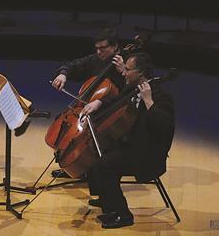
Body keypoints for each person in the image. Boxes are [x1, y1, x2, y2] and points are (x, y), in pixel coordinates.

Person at [82, 52, 175, 228]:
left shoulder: (161, 97)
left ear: (140, 73)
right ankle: (107, 200)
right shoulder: (132, 88)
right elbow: (116, 100)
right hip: (130, 145)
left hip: (147, 154)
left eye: (127, 69)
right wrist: (99, 103)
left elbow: (164, 127)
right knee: (95, 154)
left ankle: (123, 215)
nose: (123, 72)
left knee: (106, 163)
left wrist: (149, 102)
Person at [50, 28, 126, 179]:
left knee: (93, 134)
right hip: (92, 107)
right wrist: (63, 74)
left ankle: (88, 168)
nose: (99, 52)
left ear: (115, 47)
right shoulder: (96, 60)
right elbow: (73, 65)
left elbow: (128, 93)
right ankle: (73, 165)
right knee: (63, 123)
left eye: (103, 48)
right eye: (97, 48)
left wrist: (124, 71)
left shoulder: (128, 62)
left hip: (113, 110)